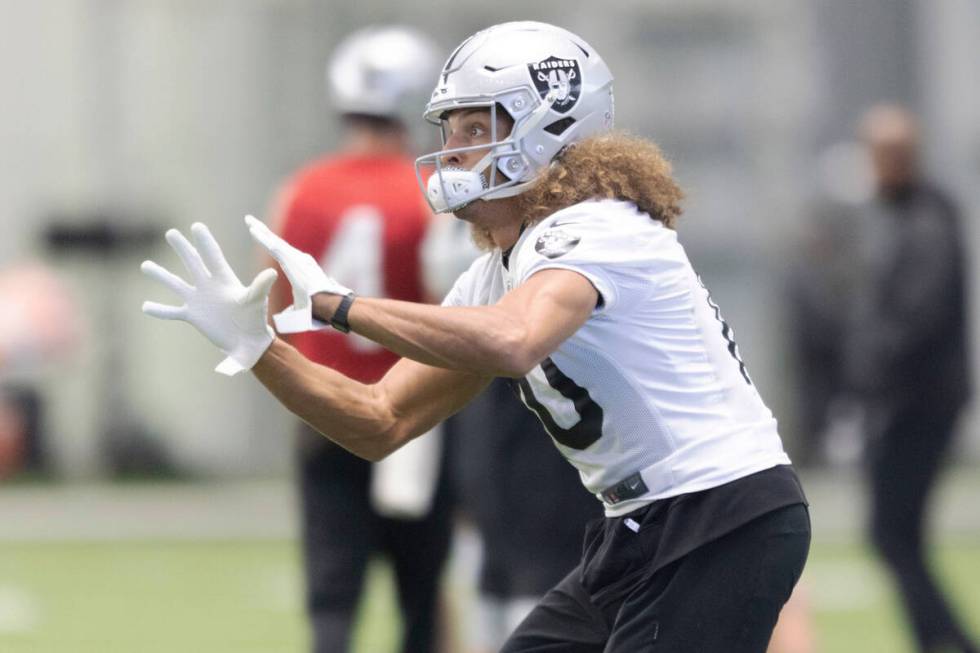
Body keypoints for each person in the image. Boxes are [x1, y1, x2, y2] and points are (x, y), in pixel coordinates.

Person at [141, 21, 810, 652]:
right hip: (638, 526)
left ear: (548, 125)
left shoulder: (603, 225)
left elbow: (516, 339)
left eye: (474, 126)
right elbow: (380, 418)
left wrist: (339, 306)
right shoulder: (496, 271)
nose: (453, 147)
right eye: (450, 127)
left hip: (719, 515)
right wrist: (260, 348)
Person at [264, 26, 452, 653]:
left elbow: (269, 307)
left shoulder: (300, 190)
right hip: (414, 411)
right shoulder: (430, 194)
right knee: (420, 597)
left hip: (321, 408)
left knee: (331, 595)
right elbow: (451, 310)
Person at [845, 105, 977, 653]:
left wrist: (870, 373)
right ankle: (941, 640)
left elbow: (915, 318)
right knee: (895, 535)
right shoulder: (901, 216)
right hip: (903, 401)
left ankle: (947, 641)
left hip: (916, 404)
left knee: (892, 533)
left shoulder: (926, 220)